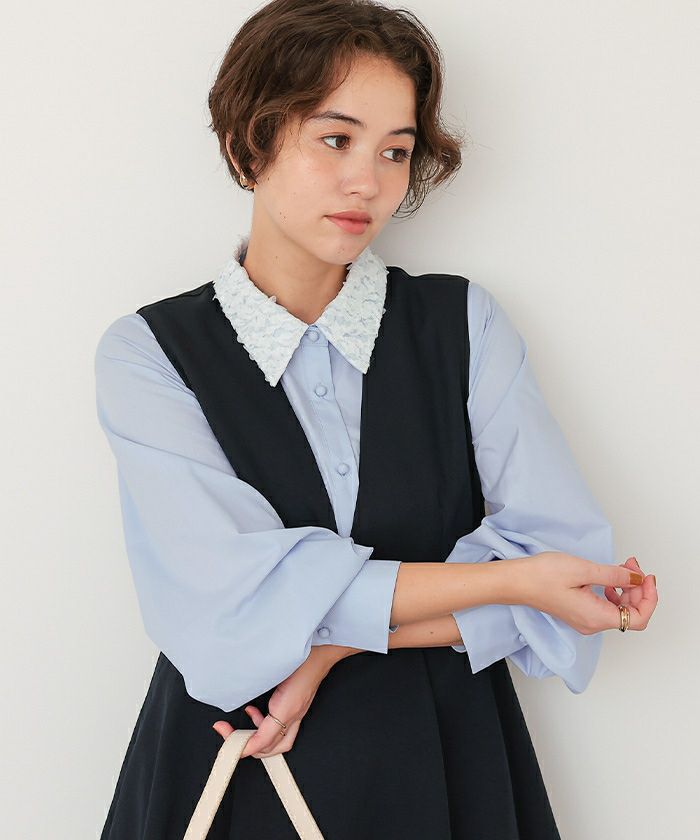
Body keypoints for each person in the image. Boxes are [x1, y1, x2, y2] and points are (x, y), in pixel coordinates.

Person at [94, 1, 659, 837]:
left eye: (395, 150)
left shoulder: (462, 324)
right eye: (336, 139)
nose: (369, 181)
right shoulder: (149, 354)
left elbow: (563, 564)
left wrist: (330, 645)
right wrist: (508, 581)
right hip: (237, 762)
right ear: (248, 145)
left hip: (445, 757)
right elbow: (226, 608)